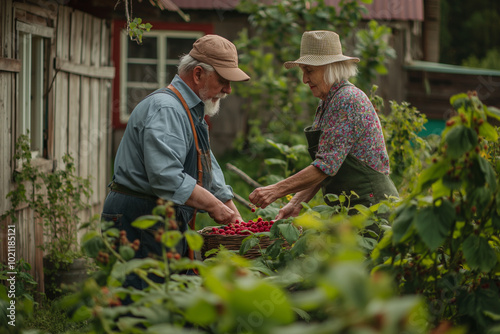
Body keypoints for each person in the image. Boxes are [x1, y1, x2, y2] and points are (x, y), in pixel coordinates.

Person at [101, 34, 249, 289]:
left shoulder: (190, 110)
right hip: (137, 216)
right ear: (198, 74)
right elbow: (166, 176)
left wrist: (234, 215)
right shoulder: (167, 109)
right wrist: (214, 206)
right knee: (141, 302)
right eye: (224, 80)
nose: (228, 90)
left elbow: (206, 165)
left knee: (171, 296)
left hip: (158, 215)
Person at [249, 30, 398, 219]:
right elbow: (328, 164)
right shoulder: (328, 101)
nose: (304, 79)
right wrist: (295, 203)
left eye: (309, 71)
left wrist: (275, 190)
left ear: (330, 67)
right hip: (351, 209)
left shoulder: (347, 100)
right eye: (303, 71)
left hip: (373, 208)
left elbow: (325, 166)